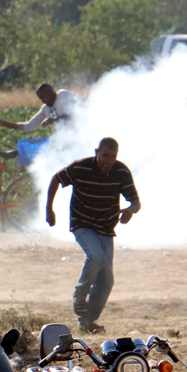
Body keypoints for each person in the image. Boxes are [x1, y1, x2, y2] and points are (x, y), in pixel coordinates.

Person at [46, 137, 141, 333]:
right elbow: (57, 178)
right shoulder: (81, 168)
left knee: (107, 279)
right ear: (97, 152)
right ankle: (80, 295)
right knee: (96, 257)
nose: (108, 160)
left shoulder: (120, 172)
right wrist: (49, 209)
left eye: (113, 157)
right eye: (105, 155)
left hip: (106, 227)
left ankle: (87, 321)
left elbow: (136, 201)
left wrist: (130, 210)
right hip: (82, 223)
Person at [0, 84, 75, 132]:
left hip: (77, 139)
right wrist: (3, 123)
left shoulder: (63, 95)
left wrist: (54, 120)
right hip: (64, 145)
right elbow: (29, 126)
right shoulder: (45, 109)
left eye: (43, 97)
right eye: (40, 98)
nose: (42, 101)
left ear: (51, 92)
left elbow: (74, 115)